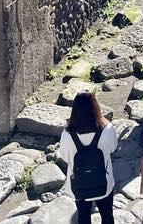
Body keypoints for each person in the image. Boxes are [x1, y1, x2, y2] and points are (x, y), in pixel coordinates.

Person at [58, 91, 117, 224]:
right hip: (104, 182)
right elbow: (113, 148)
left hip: (79, 185)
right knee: (107, 216)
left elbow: (64, 156)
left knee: (83, 218)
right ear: (96, 107)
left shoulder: (67, 134)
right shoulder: (107, 129)